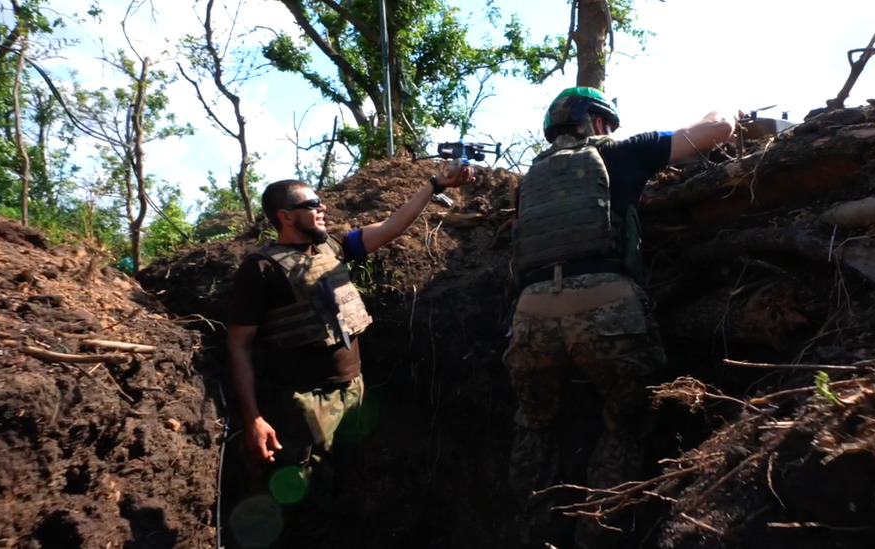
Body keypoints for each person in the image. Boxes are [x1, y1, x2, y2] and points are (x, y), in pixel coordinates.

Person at [504, 86, 734, 548]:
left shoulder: (529, 179)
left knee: (535, 422)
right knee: (626, 423)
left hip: (529, 319)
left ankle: (531, 530)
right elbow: (717, 130)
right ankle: (598, 531)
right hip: (607, 307)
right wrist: (727, 106)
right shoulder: (625, 153)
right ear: (599, 122)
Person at [226, 168, 474, 547]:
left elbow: (392, 225)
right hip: (304, 404)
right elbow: (239, 346)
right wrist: (253, 417)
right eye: (311, 204)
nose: (322, 208)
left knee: (342, 484)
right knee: (303, 501)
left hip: (351, 394)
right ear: (286, 216)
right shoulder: (261, 268)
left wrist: (434, 186)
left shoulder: (333, 248)